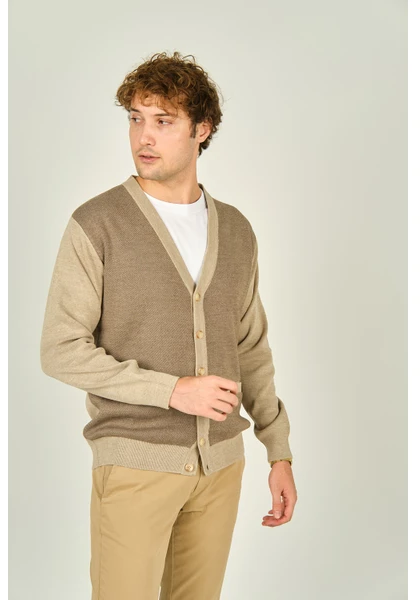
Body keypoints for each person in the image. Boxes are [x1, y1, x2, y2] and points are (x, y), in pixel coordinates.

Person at [40, 50, 297, 600]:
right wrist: (173, 391)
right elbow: (60, 349)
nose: (144, 136)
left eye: (163, 121)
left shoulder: (237, 231)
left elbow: (250, 347)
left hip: (221, 466)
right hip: (135, 465)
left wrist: (278, 451)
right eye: (136, 118)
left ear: (202, 130)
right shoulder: (98, 223)